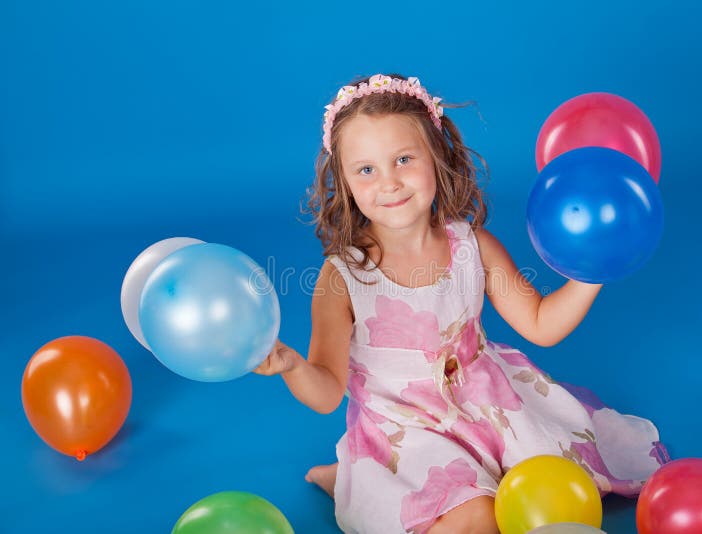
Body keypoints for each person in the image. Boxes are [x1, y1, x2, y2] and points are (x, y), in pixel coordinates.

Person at [253, 73, 669, 534]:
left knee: (566, 490)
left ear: (437, 157)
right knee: (478, 519)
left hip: (485, 402)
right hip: (407, 427)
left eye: (404, 159)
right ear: (346, 181)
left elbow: (540, 324)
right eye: (366, 169)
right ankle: (355, 476)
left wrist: (592, 268)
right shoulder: (344, 276)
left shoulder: (472, 245)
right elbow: (328, 392)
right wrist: (291, 365)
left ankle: (356, 480)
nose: (388, 183)